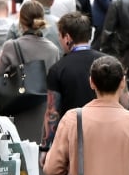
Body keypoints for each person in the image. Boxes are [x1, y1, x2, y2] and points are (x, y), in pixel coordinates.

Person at [0, 0, 59, 175]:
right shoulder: (52, 48)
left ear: (21, 21)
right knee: (38, 170)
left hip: (16, 113)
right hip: (42, 112)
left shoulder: (12, 46)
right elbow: (54, 86)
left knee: (13, 165)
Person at [40, 12, 105, 156]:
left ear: (67, 37)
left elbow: (52, 113)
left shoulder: (58, 69)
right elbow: (125, 100)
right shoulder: (107, 62)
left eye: (60, 36)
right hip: (105, 132)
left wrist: (45, 147)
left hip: (73, 138)